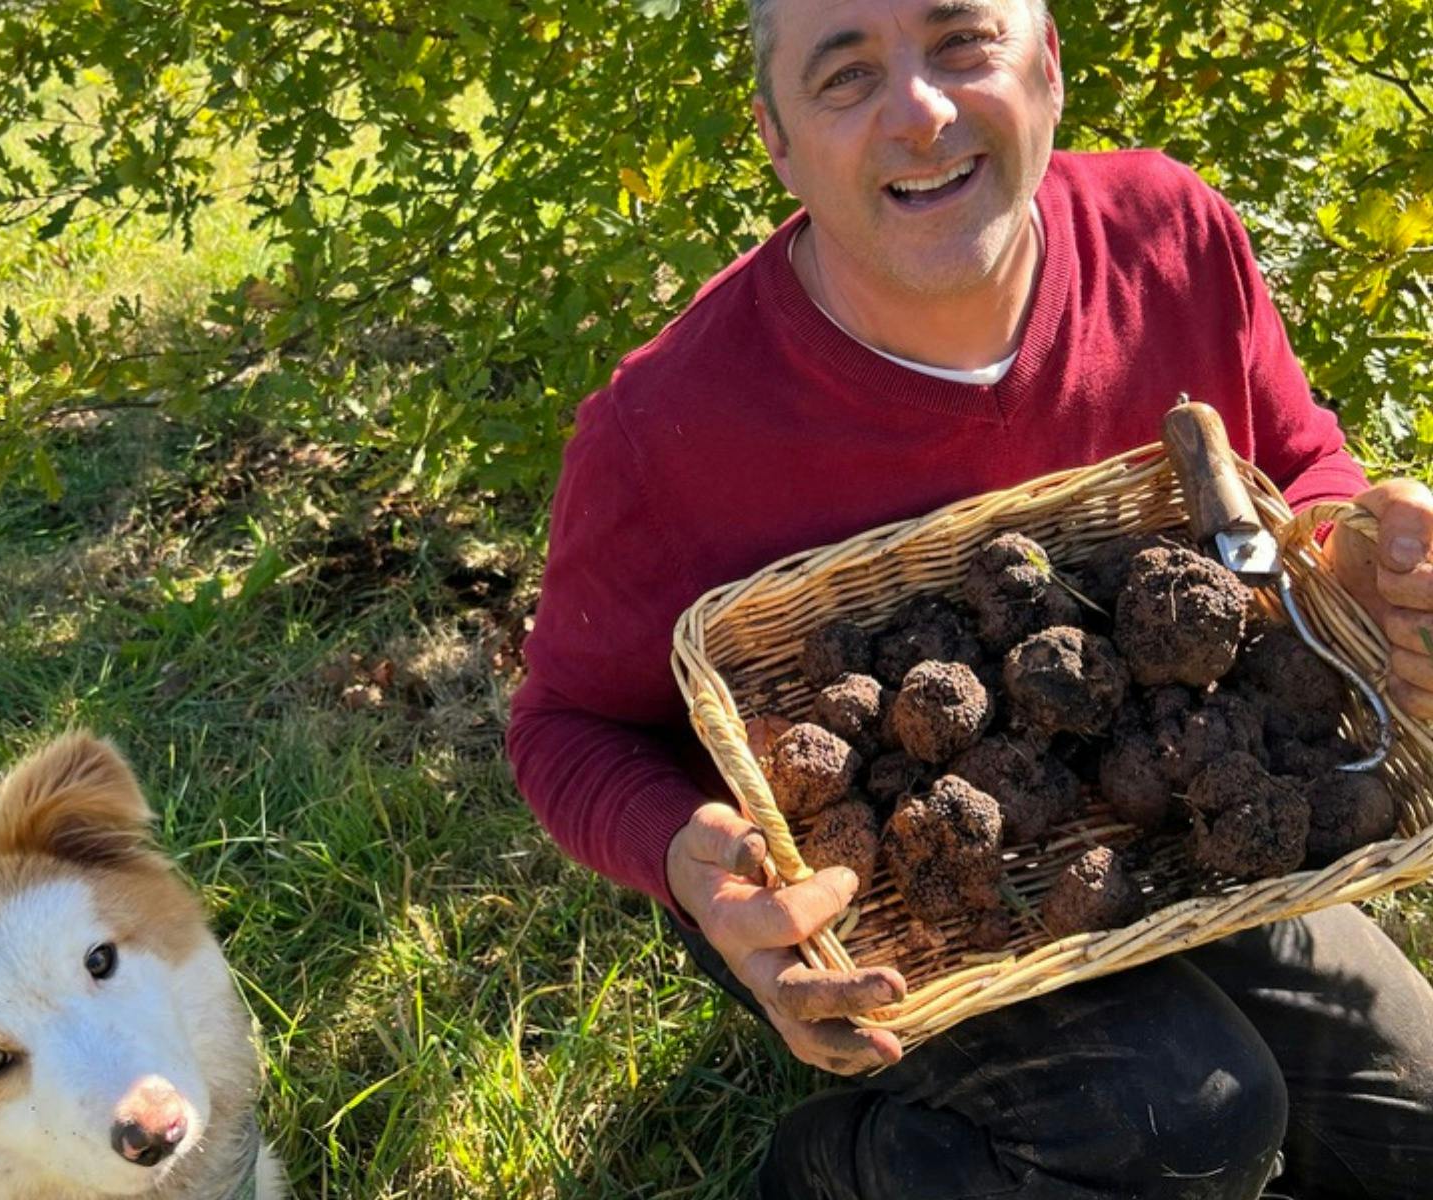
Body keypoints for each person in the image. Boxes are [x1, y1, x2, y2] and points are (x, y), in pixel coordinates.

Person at [506, 1, 1433, 1196]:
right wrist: (692, 865)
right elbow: (561, 728)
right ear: (775, 139)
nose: (921, 112)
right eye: (843, 75)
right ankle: (832, 1173)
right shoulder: (664, 428)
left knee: (1415, 1127)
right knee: (1187, 1117)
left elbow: (1281, 476)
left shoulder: (1169, 235)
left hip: (1167, 805)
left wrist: (1342, 560)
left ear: (1046, 64)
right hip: (884, 893)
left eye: (962, 42)